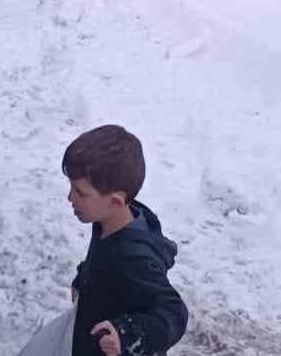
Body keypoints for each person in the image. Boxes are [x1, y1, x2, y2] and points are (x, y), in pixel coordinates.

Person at [62, 125, 187, 356]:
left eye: (80, 192)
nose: (70, 197)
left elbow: (174, 312)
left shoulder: (134, 259)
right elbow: (103, 262)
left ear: (116, 201)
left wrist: (127, 335)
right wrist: (84, 279)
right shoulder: (105, 221)